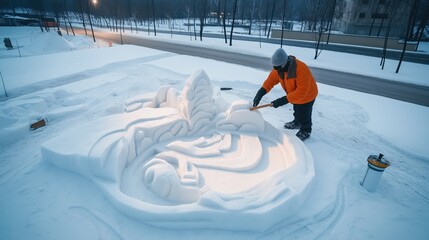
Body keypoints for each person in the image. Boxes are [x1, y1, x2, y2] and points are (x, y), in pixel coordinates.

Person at [253, 48, 318, 141]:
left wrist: (282, 100)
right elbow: (270, 81)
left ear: (284, 63)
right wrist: (260, 93)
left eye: (277, 68)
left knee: (304, 112)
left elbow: (302, 91)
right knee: (296, 109)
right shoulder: (280, 69)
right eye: (274, 68)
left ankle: (306, 130)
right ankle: (297, 122)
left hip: (308, 94)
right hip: (294, 93)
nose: (276, 70)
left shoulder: (301, 69)